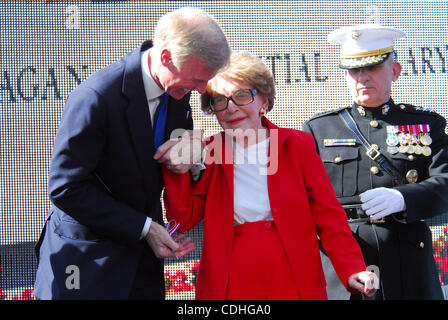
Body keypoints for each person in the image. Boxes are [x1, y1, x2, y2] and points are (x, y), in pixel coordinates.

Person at [33, 7, 231, 300]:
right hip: (87, 264)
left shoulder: (179, 89)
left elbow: (166, 159)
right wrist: (145, 228)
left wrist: (194, 151)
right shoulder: (96, 97)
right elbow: (66, 188)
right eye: (199, 80)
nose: (202, 91)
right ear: (165, 58)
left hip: (142, 265)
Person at [157, 51, 378, 300]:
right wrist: (178, 168)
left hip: (294, 270)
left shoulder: (298, 145)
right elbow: (183, 218)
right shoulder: (208, 150)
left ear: (263, 100)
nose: (230, 108)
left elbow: (329, 216)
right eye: (219, 100)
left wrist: (352, 267)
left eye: (241, 95)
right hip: (231, 274)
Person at [302, 24, 448, 300]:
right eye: (354, 71)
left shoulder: (426, 126)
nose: (363, 78)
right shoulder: (318, 130)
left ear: (394, 71)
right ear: (345, 75)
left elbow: (445, 183)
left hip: (407, 263)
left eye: (372, 68)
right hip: (344, 266)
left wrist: (404, 198)